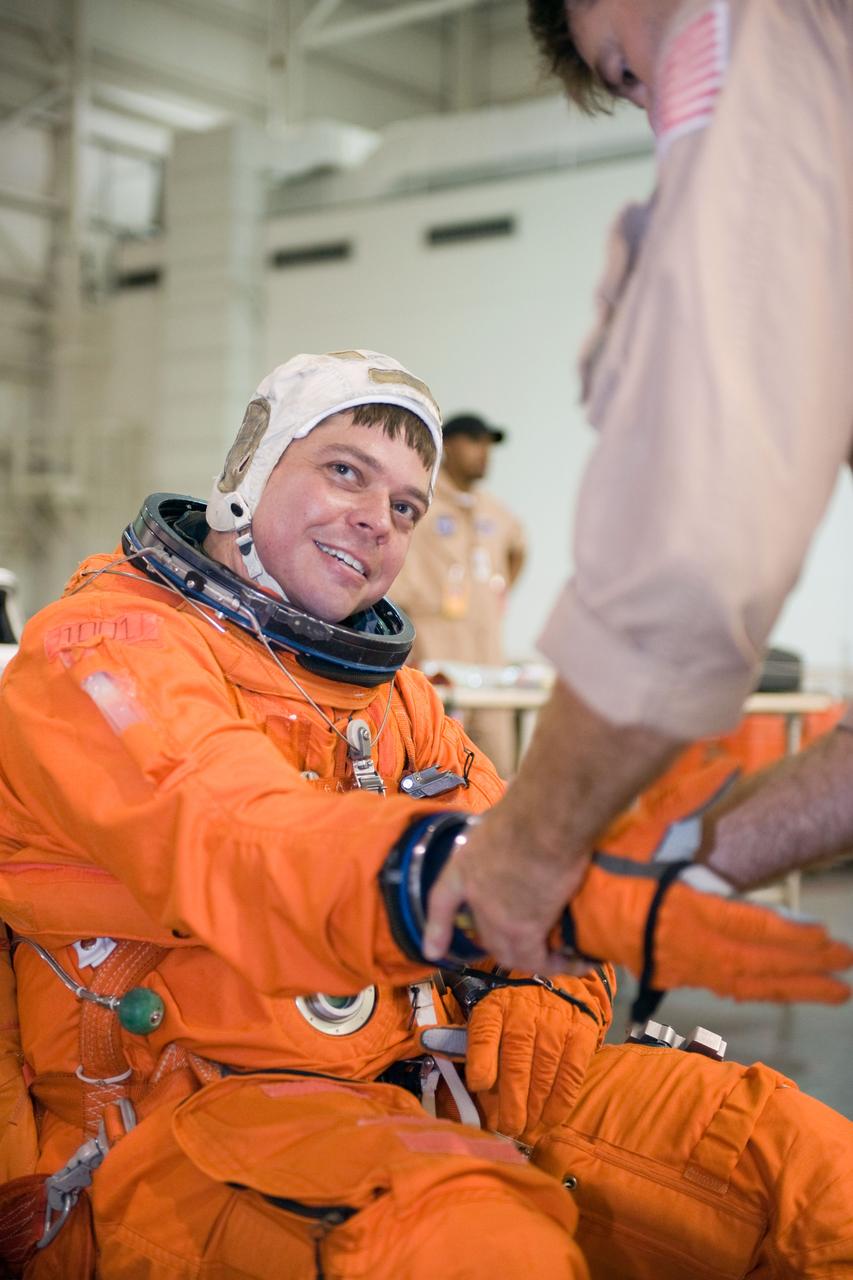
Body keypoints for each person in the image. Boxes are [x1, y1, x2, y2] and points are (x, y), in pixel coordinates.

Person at [0, 349, 850, 1277]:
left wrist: (547, 987)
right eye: (344, 472)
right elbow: (240, 837)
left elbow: (508, 841)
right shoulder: (102, 651)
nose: (375, 519)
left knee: (794, 1168)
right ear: (249, 472)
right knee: (478, 1245)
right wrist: (462, 879)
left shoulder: (397, 704)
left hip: (423, 1089)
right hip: (187, 1138)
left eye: (406, 506)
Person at [422, 0, 853, 974]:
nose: (659, 110)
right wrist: (670, 866)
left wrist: (528, 849)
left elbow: (692, 555)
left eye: (623, 71)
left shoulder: (743, 28)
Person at [391, 412, 526, 777]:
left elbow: (519, 547)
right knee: (441, 771)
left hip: (488, 665)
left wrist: (495, 593)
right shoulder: (420, 504)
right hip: (438, 663)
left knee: (497, 772)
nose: (483, 452)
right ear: (448, 447)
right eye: (473, 442)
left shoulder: (493, 511)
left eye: (487, 445)